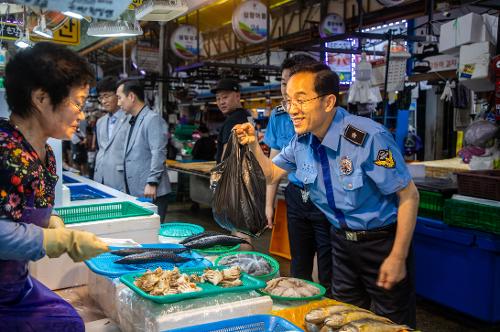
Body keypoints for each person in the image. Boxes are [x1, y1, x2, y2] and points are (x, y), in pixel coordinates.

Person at [235, 63, 419, 328]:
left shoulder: (368, 138)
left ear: (329, 101)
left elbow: (409, 197)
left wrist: (398, 256)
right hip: (341, 244)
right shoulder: (302, 142)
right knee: (342, 319)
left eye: (301, 100)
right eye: (288, 101)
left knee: (391, 322)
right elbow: (271, 175)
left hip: (381, 244)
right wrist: (253, 144)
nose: (292, 110)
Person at [0, 42, 109, 330]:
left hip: (14, 288)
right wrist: (59, 241)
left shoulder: (45, 155)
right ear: (41, 98)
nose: (82, 114)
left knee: (69, 322)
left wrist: (54, 225)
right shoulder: (2, 149)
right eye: (77, 102)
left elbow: (28, 213)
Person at [263, 55, 332, 292]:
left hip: (325, 197)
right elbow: (273, 167)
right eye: (283, 83)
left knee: (326, 268)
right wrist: (268, 204)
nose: (286, 90)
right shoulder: (279, 117)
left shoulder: (323, 115)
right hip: (296, 196)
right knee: (298, 265)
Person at [117, 79, 171, 223]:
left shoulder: (152, 119)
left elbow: (158, 151)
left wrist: (152, 182)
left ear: (131, 97)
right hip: (137, 190)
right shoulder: (133, 120)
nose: (118, 103)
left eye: (119, 97)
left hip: (151, 191)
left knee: (152, 233)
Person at [93, 76, 129, 191]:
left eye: (107, 96)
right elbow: (101, 149)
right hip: (100, 177)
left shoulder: (130, 120)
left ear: (117, 95)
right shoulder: (100, 122)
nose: (103, 101)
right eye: (101, 97)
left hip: (120, 178)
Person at [212, 78, 251, 164]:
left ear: (237, 96)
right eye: (218, 99)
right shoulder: (246, 115)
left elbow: (227, 158)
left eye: (225, 97)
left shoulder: (232, 121)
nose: (221, 102)